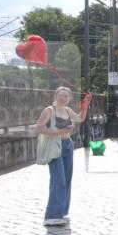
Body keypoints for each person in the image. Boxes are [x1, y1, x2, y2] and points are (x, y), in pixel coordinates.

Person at [36, 87, 90, 226]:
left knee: (66, 179)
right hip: (55, 145)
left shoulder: (67, 110)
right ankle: (51, 216)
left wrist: (85, 106)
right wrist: (59, 132)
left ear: (69, 98)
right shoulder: (49, 110)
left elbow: (80, 118)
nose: (64, 98)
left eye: (66, 96)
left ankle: (61, 213)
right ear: (55, 95)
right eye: (61, 95)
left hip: (67, 145)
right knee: (58, 180)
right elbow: (39, 128)